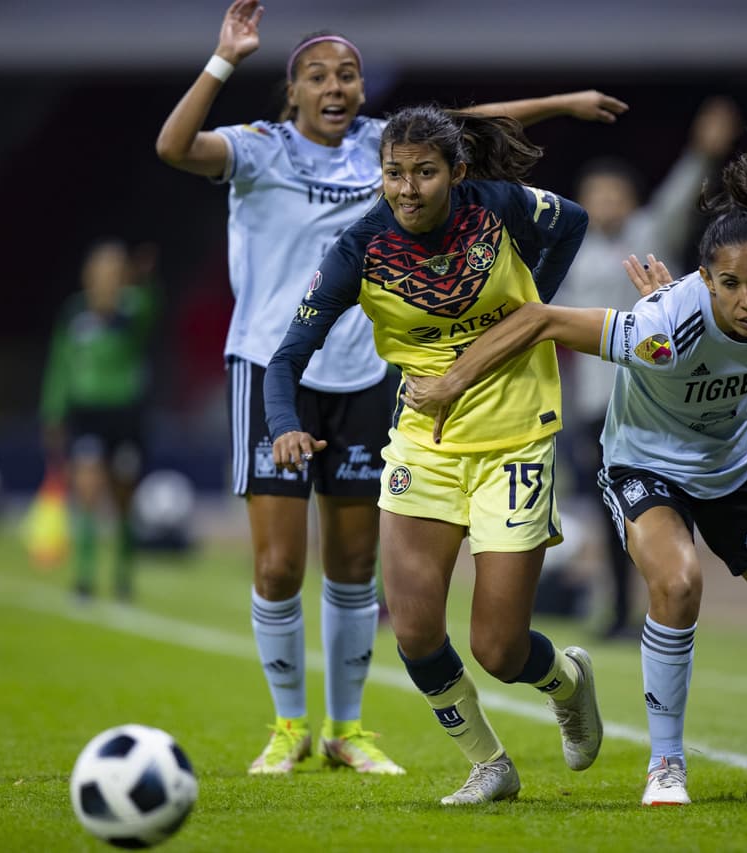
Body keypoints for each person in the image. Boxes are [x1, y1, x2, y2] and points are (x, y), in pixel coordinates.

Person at [154, 0, 626, 777]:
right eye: (317, 75)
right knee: (281, 569)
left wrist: (563, 105)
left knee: (359, 570)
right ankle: (289, 725)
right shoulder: (261, 148)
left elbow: (472, 123)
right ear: (292, 91)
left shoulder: (394, 145)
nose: (335, 86)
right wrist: (223, 59)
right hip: (281, 363)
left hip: (376, 374)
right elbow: (173, 147)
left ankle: (347, 727)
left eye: (348, 74)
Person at [401, 130, 747, 806]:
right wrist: (452, 380)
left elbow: (745, 321)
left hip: (735, 464)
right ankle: (666, 765)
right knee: (678, 582)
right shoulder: (662, 331)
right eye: (728, 284)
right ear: (706, 279)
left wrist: (696, 296)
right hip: (645, 462)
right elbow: (542, 318)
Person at [264, 105, 603, 805]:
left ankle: (566, 682)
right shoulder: (360, 248)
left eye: (424, 172)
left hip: (516, 435)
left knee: (498, 649)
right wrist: (283, 425)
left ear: (458, 172)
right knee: (415, 630)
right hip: (424, 443)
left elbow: (571, 220)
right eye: (394, 173)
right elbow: (286, 358)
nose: (408, 188)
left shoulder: (499, 208)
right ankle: (488, 763)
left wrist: (533, 305)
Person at [555, 96, 742, 638]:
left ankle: (673, 596)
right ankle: (619, 612)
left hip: (660, 399)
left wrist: (702, 153)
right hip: (598, 405)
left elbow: (682, 194)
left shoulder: (650, 235)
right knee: (613, 514)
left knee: (667, 506)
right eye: (596, 196)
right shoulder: (575, 254)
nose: (606, 203)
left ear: (631, 200)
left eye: (614, 194)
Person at [41, 239, 159, 603]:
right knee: (88, 491)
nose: (107, 278)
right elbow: (60, 362)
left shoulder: (133, 310)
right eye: (101, 271)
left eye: (114, 271)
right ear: (88, 275)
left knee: (123, 499)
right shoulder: (74, 313)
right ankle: (85, 579)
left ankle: (123, 578)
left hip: (125, 414)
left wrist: (145, 282)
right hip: (87, 413)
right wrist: (52, 410)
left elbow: (152, 312)